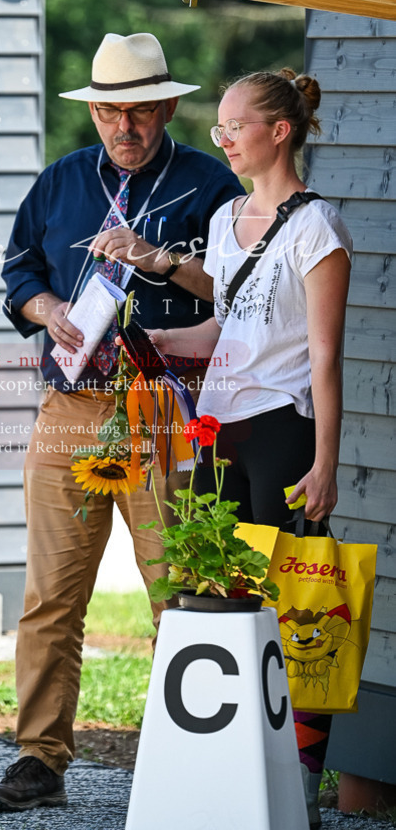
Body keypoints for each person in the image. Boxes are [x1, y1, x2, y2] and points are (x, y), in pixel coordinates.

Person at [0, 32, 242, 813]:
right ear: (92, 111)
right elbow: (19, 266)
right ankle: (39, 759)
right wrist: (46, 306)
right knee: (51, 595)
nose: (123, 127)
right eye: (107, 113)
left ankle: (186, 759)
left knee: (179, 591)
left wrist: (160, 259)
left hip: (164, 408)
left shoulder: (210, 184)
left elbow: (236, 288)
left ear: (165, 106)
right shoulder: (61, 180)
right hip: (71, 407)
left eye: (137, 112)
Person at [147, 67, 352, 830]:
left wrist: (324, 460)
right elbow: (227, 328)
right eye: (218, 127)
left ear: (280, 131)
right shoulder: (228, 217)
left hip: (282, 431)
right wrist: (159, 337)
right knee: (220, 596)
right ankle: (226, 768)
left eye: (235, 125)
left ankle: (298, 786)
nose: (223, 138)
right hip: (220, 428)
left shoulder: (316, 228)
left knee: (296, 606)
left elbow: (326, 355)